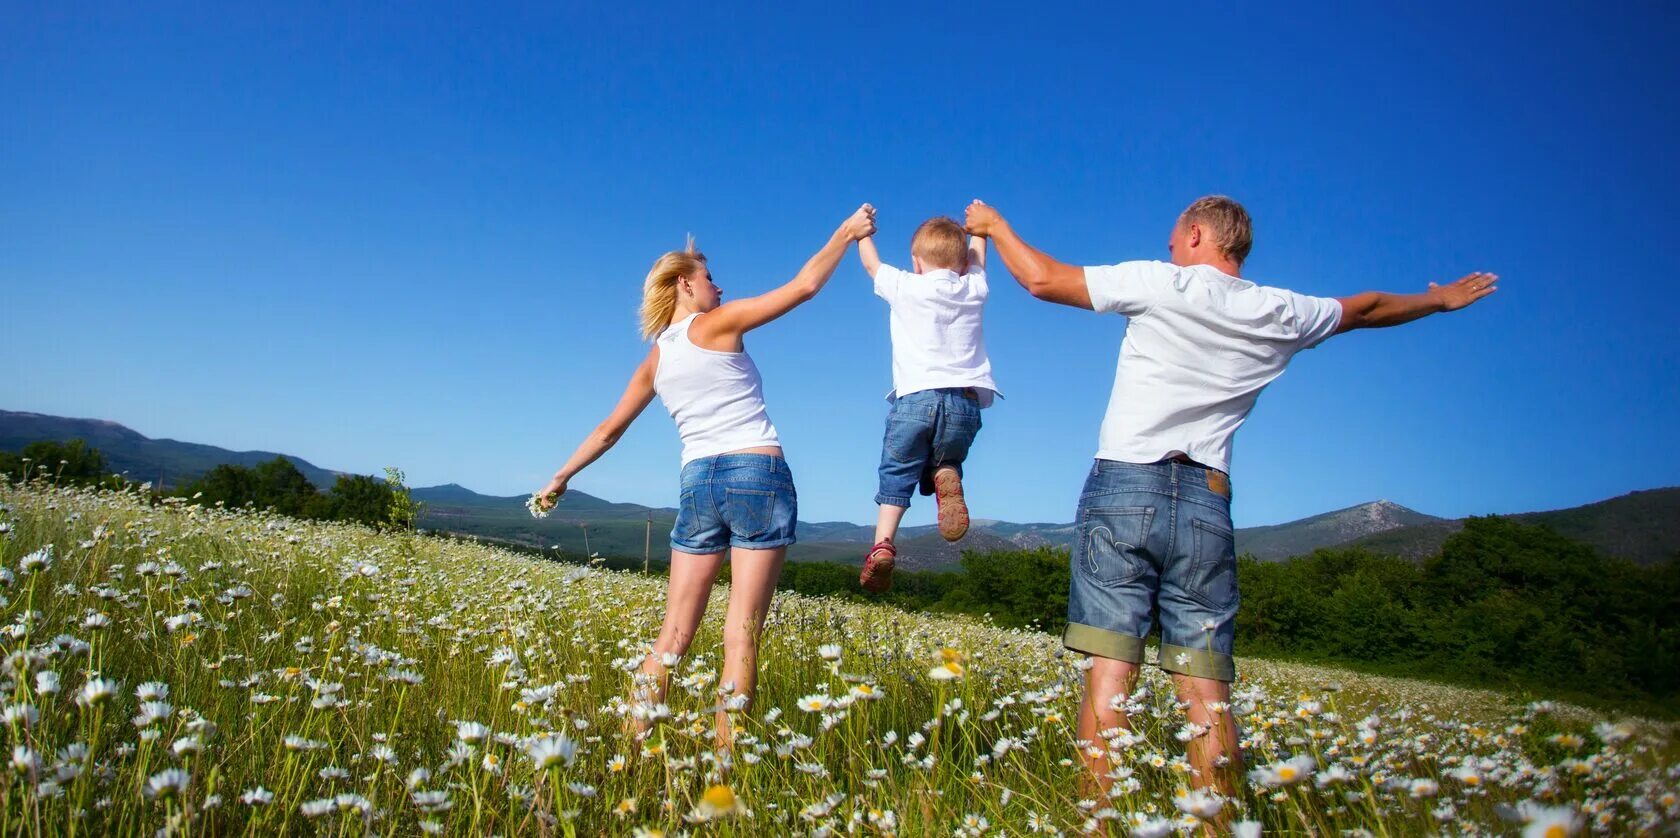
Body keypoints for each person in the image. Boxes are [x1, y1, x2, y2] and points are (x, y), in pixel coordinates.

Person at [964, 195, 1498, 797]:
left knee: (1110, 673)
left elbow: (1040, 279)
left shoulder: (1162, 283)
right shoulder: (1282, 312)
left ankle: (1099, 818)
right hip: (1207, 502)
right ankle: (1219, 821)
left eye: (1172, 237)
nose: (1168, 246)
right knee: (1208, 690)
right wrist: (1438, 299)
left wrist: (995, 227)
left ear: (1196, 234)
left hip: (1125, 485)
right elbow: (1369, 308)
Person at [534, 204, 878, 748]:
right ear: (683, 286)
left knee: (673, 634)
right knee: (742, 636)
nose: (718, 286)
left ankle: (629, 744)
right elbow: (806, 286)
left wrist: (560, 476)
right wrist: (846, 232)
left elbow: (606, 430)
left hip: (697, 483)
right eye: (709, 277)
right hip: (755, 472)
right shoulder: (716, 324)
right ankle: (723, 766)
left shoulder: (656, 359)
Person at [855, 216, 1001, 592]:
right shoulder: (974, 288)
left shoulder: (906, 286)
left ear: (916, 263)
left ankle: (883, 544)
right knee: (945, 456)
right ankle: (946, 470)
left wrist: (863, 233)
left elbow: (872, 265)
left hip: (915, 400)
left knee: (896, 476)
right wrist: (980, 231)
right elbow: (978, 261)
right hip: (965, 405)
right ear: (964, 263)